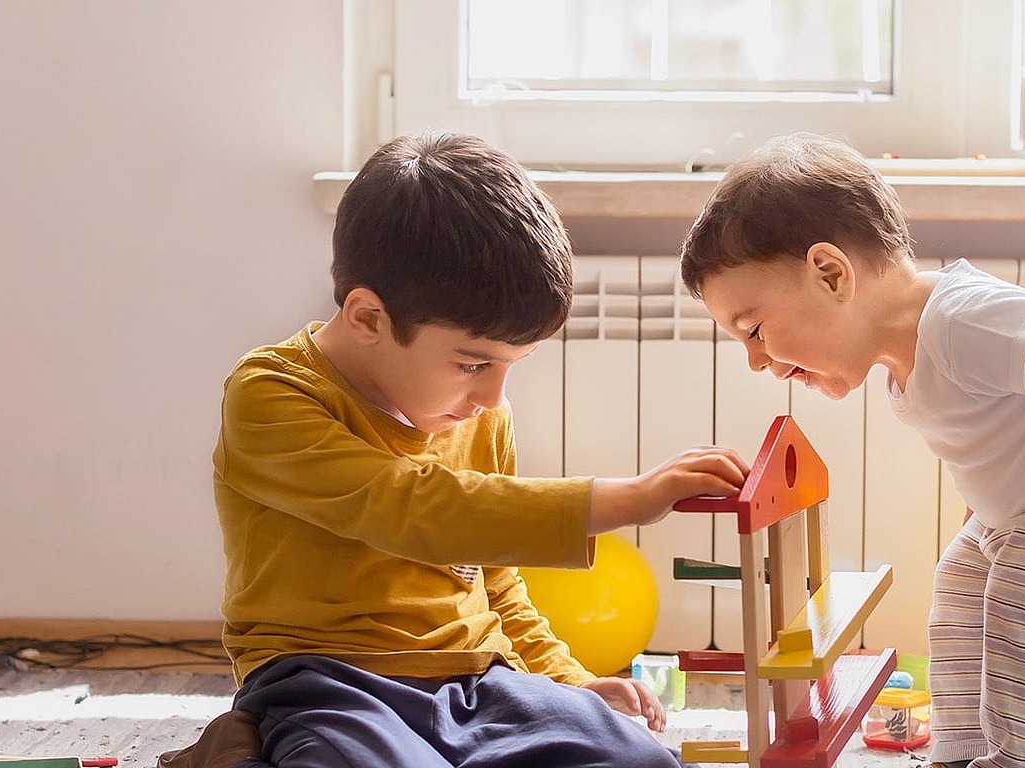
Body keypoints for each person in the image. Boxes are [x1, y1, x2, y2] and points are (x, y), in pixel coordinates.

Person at [164, 132, 747, 768]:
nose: (494, 397)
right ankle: (239, 750)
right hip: (328, 681)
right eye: (473, 363)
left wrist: (566, 681)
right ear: (367, 318)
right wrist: (623, 500)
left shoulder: (476, 411)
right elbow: (412, 509)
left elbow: (496, 577)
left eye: (508, 367)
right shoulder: (270, 396)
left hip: (477, 678)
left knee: (641, 760)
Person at [678, 133, 1025, 768]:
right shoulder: (908, 365)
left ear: (830, 274)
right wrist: (983, 512)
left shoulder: (959, 320)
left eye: (756, 330)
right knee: (961, 590)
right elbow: (1005, 438)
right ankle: (964, 752)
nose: (756, 361)